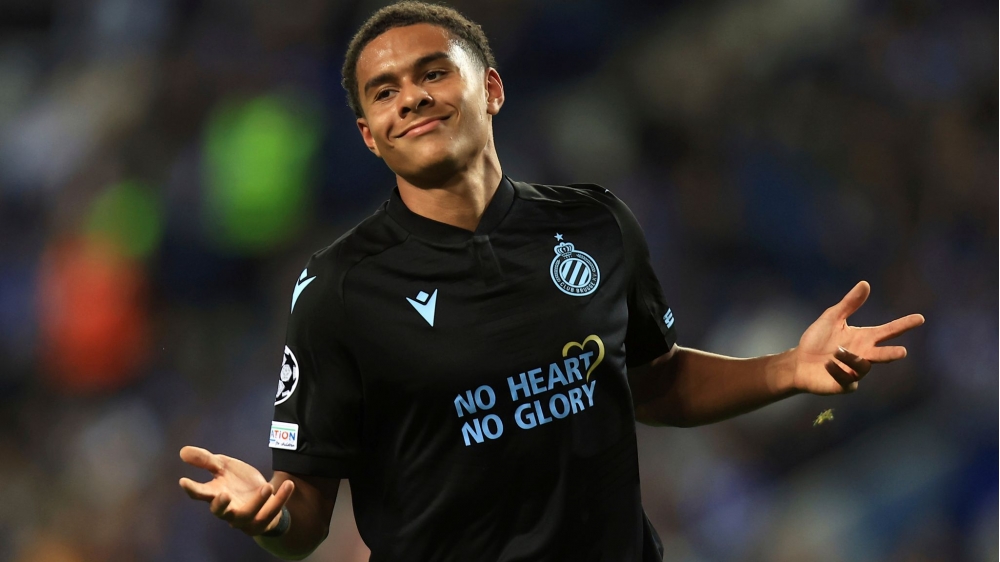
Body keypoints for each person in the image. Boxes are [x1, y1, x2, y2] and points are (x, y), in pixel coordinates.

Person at [178, 2, 925, 560]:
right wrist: (269, 517)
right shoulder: (338, 288)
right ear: (370, 137)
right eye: (383, 91)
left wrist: (787, 370)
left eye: (433, 72)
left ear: (492, 89)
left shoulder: (594, 223)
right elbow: (306, 516)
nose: (410, 97)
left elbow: (655, 382)